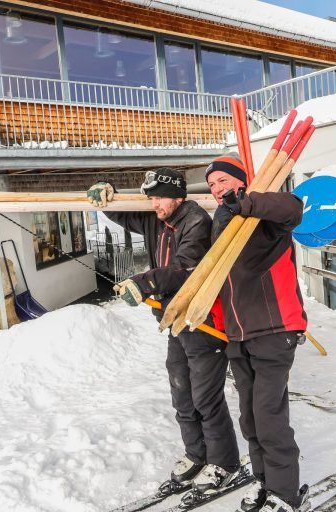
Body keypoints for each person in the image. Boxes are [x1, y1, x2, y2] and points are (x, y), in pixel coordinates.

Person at [87, 168, 240, 494]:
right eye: (151, 198)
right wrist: (107, 196)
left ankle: (224, 463)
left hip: (203, 323)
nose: (153, 204)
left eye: (158, 197)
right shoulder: (158, 218)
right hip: (175, 321)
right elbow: (126, 216)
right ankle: (197, 455)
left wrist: (145, 283)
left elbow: (185, 268)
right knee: (181, 393)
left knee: (206, 398)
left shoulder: (195, 221)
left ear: (177, 196)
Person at [203, 154, 309, 512]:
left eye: (222, 180)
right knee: (249, 417)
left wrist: (246, 203)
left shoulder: (264, 212)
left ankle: (285, 494)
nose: (217, 189)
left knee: (268, 417)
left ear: (241, 180)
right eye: (212, 184)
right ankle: (264, 483)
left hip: (274, 330)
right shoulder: (222, 219)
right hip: (238, 334)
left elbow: (294, 209)